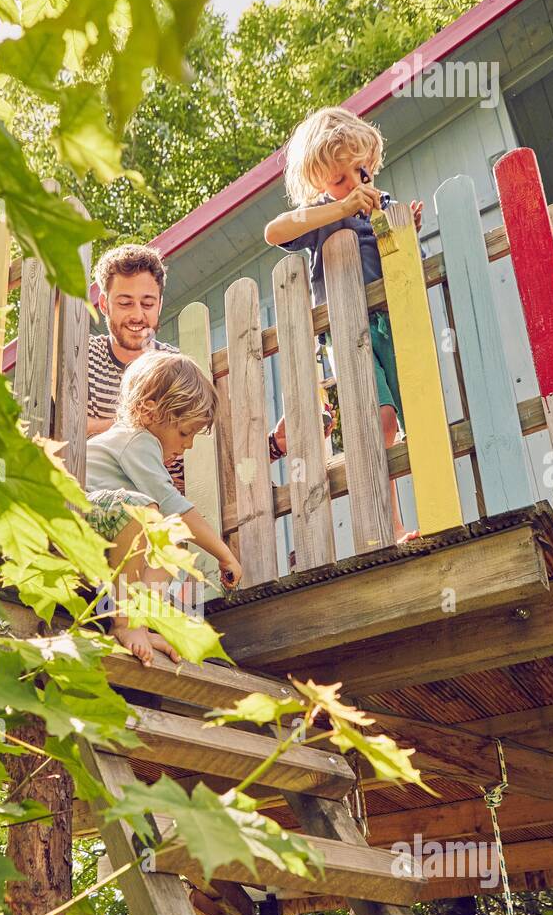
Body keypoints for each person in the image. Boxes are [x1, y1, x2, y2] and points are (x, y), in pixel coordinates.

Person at [264, 106, 424, 542]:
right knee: (379, 419)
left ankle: (433, 510)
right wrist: (338, 208)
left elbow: (404, 262)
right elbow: (274, 232)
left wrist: (405, 229)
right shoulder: (320, 214)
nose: (355, 187)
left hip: (393, 321)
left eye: (361, 173)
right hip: (348, 332)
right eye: (339, 180)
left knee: (419, 411)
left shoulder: (381, 204)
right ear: (320, 182)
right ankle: (391, 526)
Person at [88, 244, 289, 493]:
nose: (137, 315)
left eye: (148, 303)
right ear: (105, 304)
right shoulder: (83, 360)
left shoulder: (176, 368)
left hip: (170, 510)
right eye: (126, 303)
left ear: (160, 304)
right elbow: (65, 437)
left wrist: (274, 445)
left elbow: (209, 456)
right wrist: (151, 427)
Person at [85, 349, 242, 666]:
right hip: (80, 516)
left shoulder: (143, 446)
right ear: (149, 411)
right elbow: (176, 509)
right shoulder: (137, 440)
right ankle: (126, 621)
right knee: (148, 511)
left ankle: (140, 620)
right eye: (185, 432)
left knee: (172, 539)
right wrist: (224, 554)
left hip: (111, 531)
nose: (188, 445)